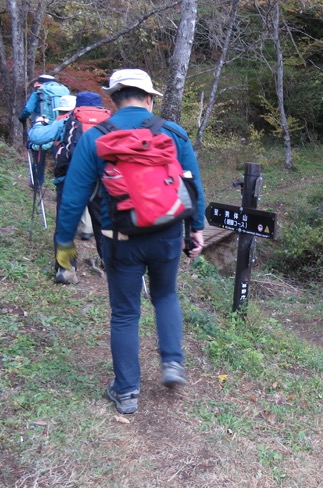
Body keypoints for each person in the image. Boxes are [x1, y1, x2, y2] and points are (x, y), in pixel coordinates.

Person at [55, 69, 206, 415]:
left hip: (119, 238)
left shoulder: (97, 138)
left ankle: (126, 392)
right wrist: (195, 228)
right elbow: (192, 185)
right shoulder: (173, 132)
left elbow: (74, 198)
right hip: (167, 234)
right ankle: (172, 364)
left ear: (114, 98)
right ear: (149, 98)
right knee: (165, 294)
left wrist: (65, 243)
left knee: (124, 313)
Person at [29, 92, 109, 283]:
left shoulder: (67, 120)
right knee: (103, 224)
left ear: (77, 106)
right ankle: (110, 263)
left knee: (66, 225)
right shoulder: (111, 123)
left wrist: (38, 124)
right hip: (104, 181)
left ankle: (66, 270)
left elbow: (37, 137)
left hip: (70, 179)